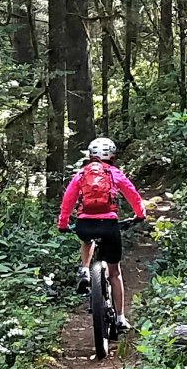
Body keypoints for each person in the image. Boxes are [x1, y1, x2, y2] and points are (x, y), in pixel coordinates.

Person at [57, 136, 146, 333]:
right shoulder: (115, 174)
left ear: (90, 155)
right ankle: (121, 318)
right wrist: (140, 215)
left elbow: (68, 199)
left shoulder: (81, 174)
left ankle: (86, 270)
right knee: (115, 273)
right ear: (112, 155)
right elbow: (132, 194)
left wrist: (63, 223)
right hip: (109, 225)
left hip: (85, 224)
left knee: (86, 239)